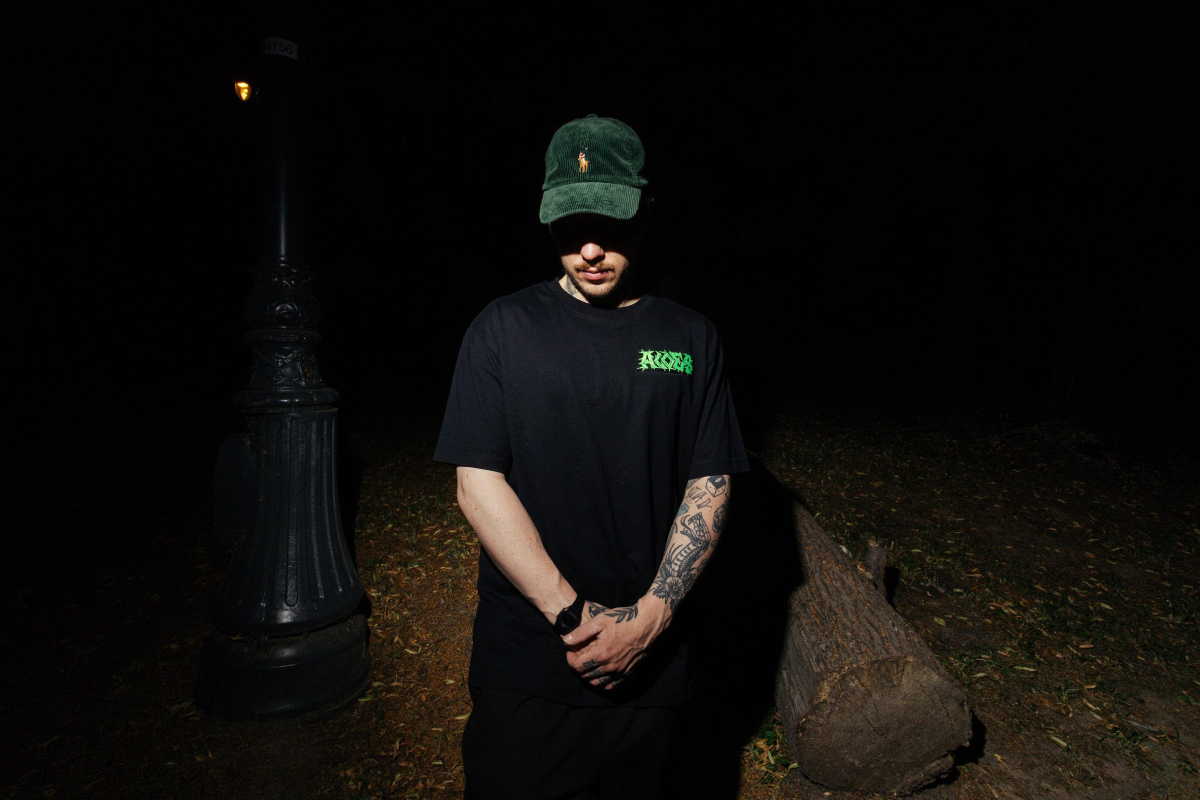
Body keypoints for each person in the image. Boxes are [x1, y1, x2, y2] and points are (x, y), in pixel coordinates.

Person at [434, 114, 748, 799]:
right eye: (571, 226)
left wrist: (652, 619)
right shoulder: (502, 329)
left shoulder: (690, 337)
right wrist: (573, 617)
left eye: (610, 222)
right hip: (529, 663)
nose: (591, 249)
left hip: (655, 665)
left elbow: (711, 478)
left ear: (648, 211)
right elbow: (476, 483)